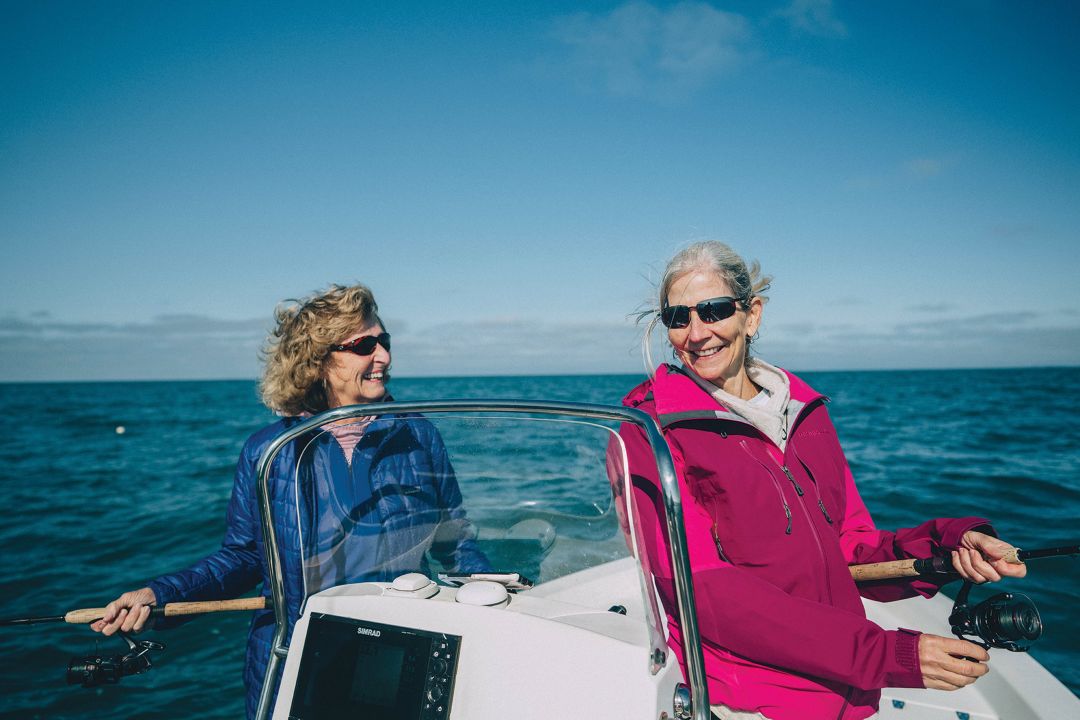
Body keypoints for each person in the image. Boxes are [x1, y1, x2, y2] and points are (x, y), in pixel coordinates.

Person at [617, 242, 1027, 720]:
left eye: (714, 310)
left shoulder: (802, 412)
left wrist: (948, 546)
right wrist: (882, 655)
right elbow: (700, 589)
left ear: (752, 316)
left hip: (847, 695)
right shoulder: (647, 430)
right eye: (678, 317)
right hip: (749, 700)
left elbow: (849, 545)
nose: (697, 332)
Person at [91, 283, 488, 718]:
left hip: (399, 652)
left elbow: (454, 540)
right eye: (364, 345)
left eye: (385, 341)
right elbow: (242, 557)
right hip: (295, 655)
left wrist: (498, 591)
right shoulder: (270, 451)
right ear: (318, 359)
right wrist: (158, 595)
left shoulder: (418, 434)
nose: (384, 357)